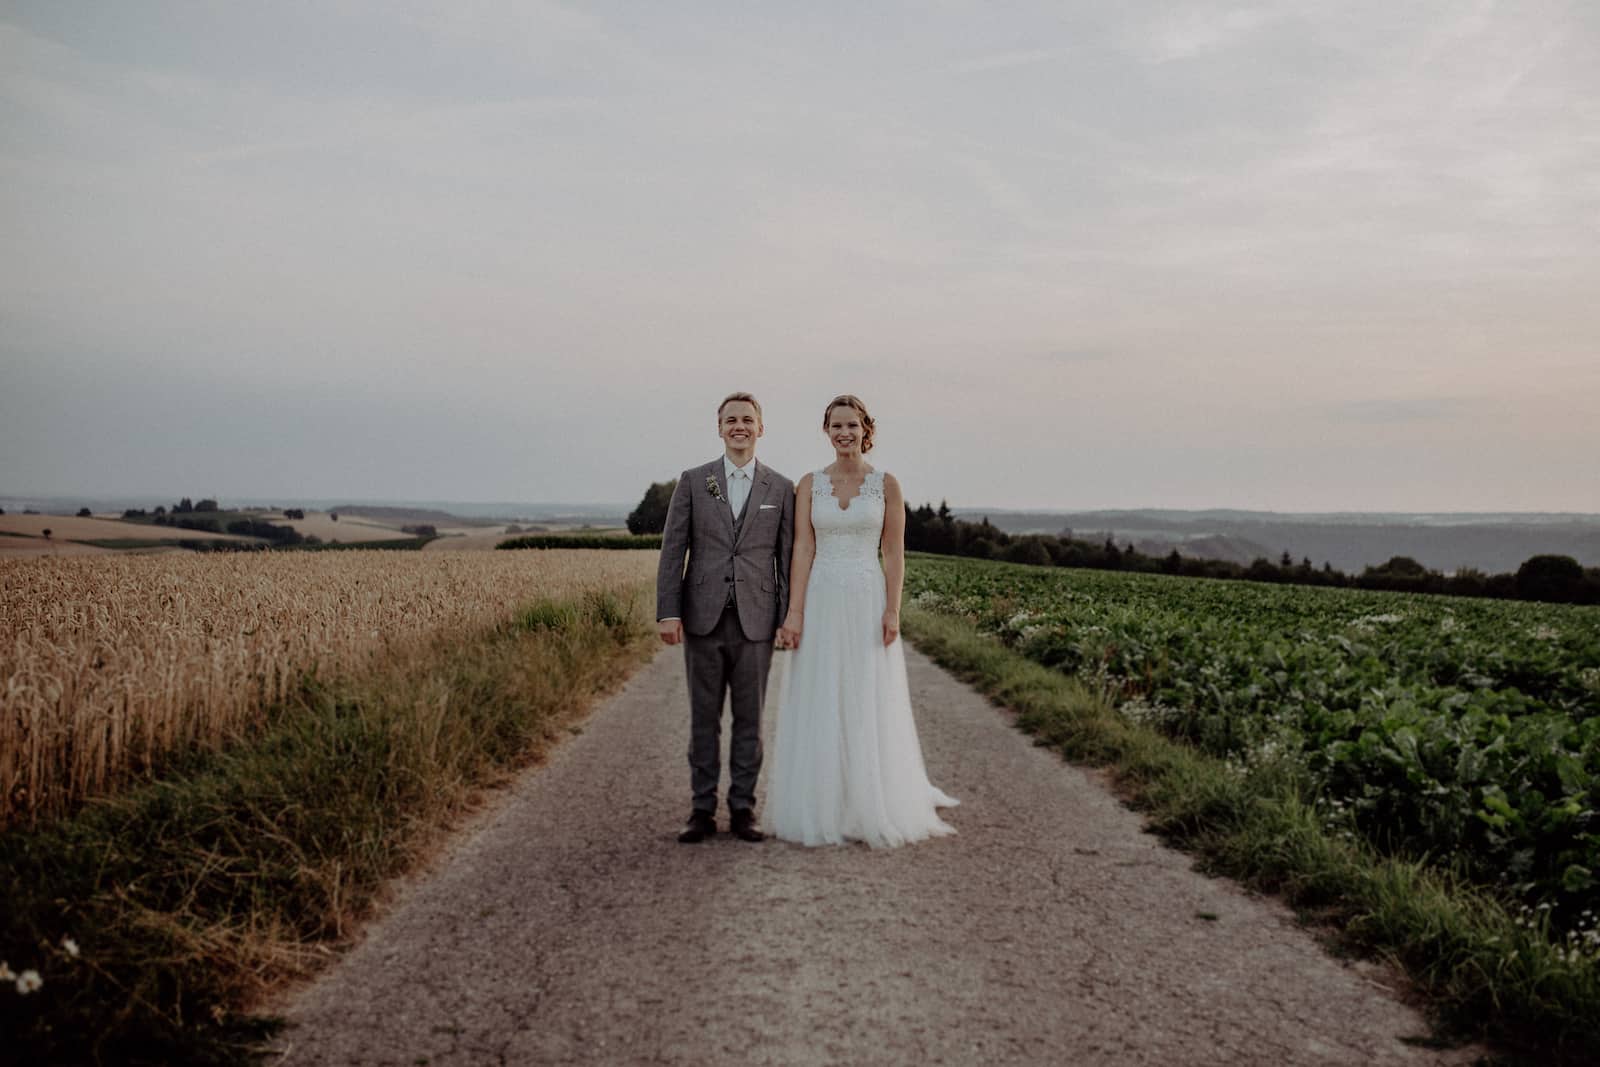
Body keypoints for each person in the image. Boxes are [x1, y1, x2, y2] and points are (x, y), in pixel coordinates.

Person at [767, 394, 958, 847]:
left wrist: (893, 609)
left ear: (865, 429)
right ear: (826, 431)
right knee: (821, 692)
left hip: (867, 597)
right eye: (836, 426)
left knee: (866, 692)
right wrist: (794, 613)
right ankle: (823, 799)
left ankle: (870, 797)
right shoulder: (809, 484)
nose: (844, 433)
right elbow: (803, 548)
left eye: (852, 425)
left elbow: (893, 553)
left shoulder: (886, 484)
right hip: (822, 596)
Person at [656, 392, 796, 843]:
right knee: (703, 718)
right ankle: (701, 809)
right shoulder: (694, 481)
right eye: (731, 420)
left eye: (747, 420)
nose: (739, 426)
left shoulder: (781, 488)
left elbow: (788, 556)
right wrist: (668, 611)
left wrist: (789, 616)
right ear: (719, 428)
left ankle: (742, 809)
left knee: (751, 721)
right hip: (702, 617)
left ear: (761, 428)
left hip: (757, 620)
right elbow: (673, 549)